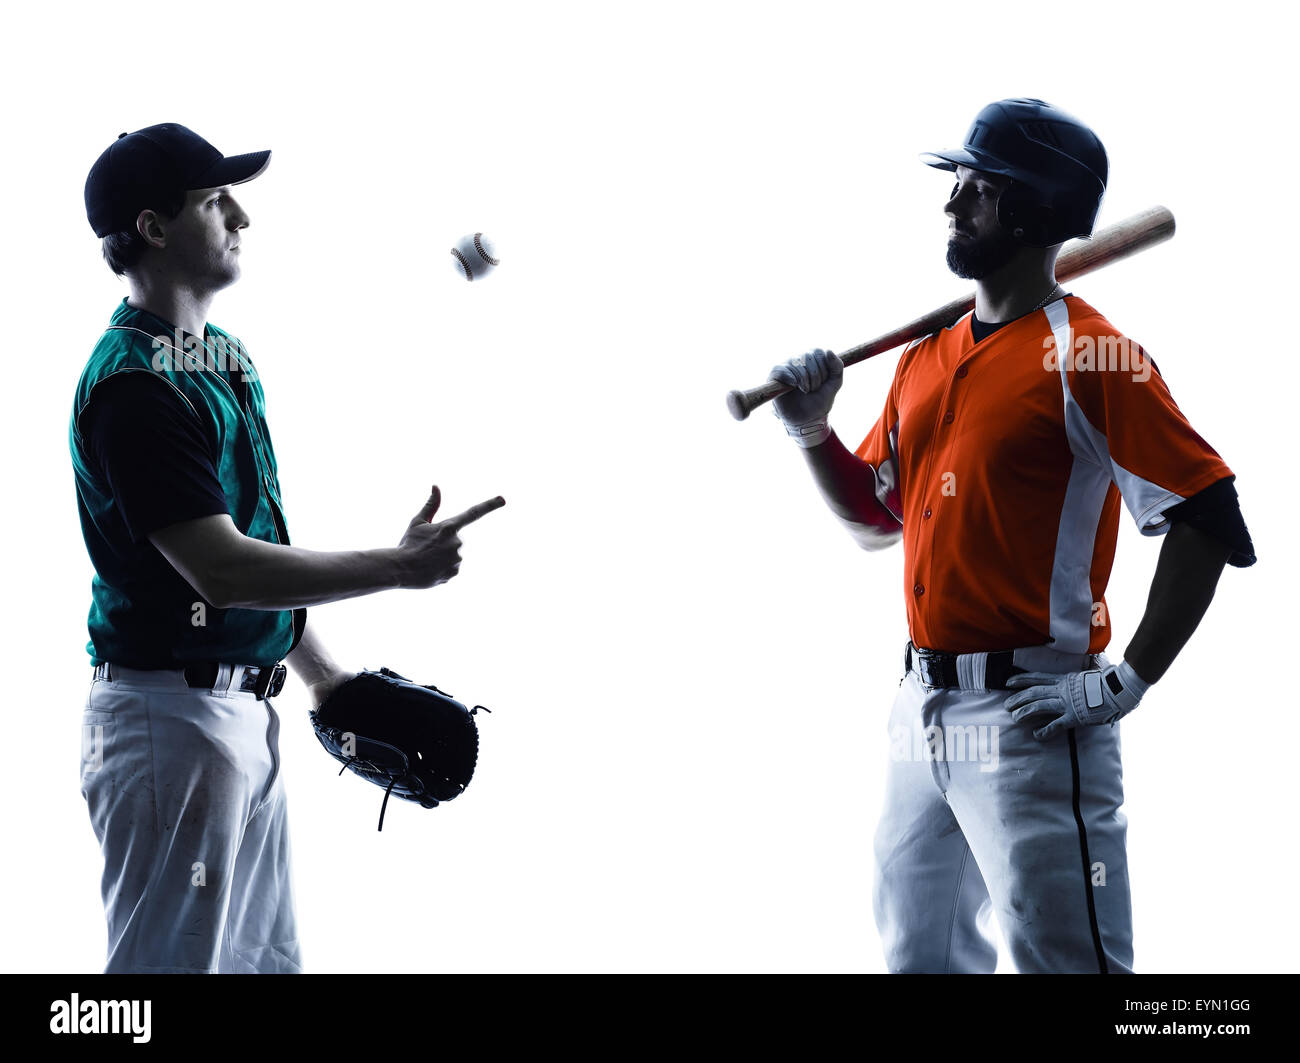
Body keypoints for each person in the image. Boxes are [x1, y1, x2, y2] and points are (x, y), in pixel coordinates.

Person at [767, 98, 1254, 973]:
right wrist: (813, 432)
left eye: (979, 187)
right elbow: (878, 521)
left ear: (1036, 212)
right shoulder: (927, 355)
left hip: (1032, 713)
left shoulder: (1094, 357)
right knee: (919, 955)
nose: (953, 203)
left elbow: (1206, 515)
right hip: (921, 707)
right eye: (957, 183)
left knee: (1071, 967)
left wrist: (1124, 683)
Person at [70, 123, 504, 973]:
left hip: (242, 718)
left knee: (263, 968)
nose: (241, 215)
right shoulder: (135, 388)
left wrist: (323, 676)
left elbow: (258, 547)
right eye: (215, 199)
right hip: (169, 725)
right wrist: (397, 567)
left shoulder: (224, 361)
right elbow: (223, 571)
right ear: (155, 230)